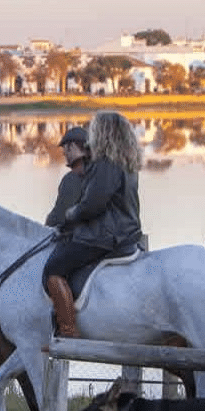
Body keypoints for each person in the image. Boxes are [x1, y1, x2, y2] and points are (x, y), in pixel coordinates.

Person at [42, 112, 143, 338]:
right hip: (127, 232)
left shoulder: (106, 164)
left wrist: (71, 213)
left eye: (95, 129)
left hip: (106, 236)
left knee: (53, 269)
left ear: (104, 133)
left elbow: (92, 205)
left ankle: (68, 330)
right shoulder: (127, 162)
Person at [45, 126, 90, 229]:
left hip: (80, 239)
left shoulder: (73, 178)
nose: (64, 153)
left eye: (65, 148)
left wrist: (48, 222)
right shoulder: (101, 172)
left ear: (73, 146)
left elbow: (59, 217)